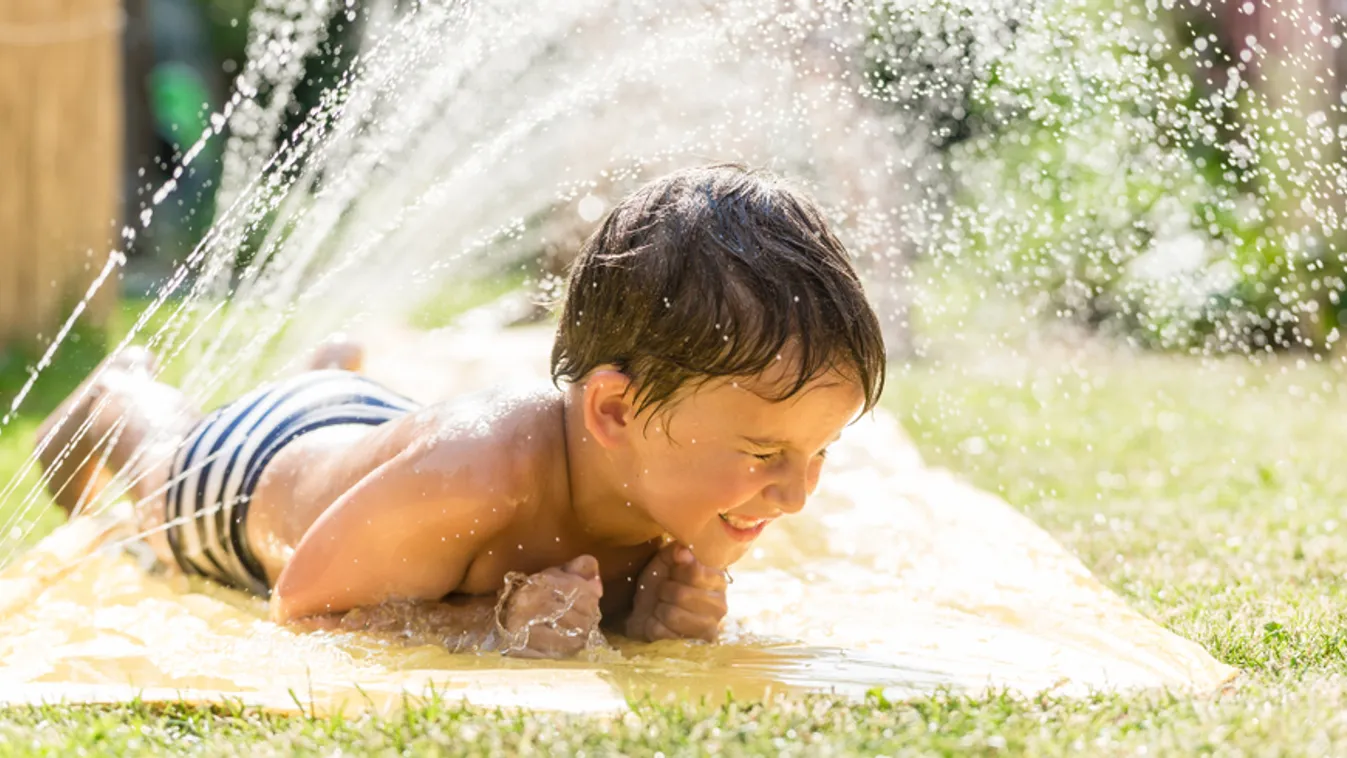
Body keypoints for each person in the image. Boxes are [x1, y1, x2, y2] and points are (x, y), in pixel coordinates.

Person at [35, 164, 887, 658]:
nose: (794, 492)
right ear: (616, 413)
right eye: (763, 451)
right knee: (163, 478)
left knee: (362, 433)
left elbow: (596, 607)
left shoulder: (675, 484)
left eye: (819, 452)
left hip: (376, 429)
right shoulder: (472, 476)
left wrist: (648, 618)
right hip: (254, 471)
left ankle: (327, 370)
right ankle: (128, 398)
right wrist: (488, 625)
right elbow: (302, 609)